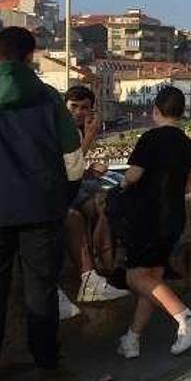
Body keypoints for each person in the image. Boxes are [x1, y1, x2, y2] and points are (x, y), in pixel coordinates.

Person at [0, 27, 84, 381]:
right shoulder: (48, 97)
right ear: (30, 56)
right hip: (40, 207)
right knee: (41, 288)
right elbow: (73, 160)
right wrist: (62, 198)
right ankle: (46, 366)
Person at [116, 86, 191, 359]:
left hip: (147, 216)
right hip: (174, 217)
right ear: (182, 112)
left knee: (135, 276)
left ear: (155, 110)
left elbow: (133, 175)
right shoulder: (184, 141)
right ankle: (132, 339)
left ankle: (187, 319)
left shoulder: (150, 138)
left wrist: (121, 184)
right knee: (153, 278)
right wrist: (171, 193)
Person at [62, 86, 129, 310]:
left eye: (84, 108)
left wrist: (90, 171)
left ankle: (108, 265)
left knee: (106, 203)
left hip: (74, 189)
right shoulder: (61, 130)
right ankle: (101, 269)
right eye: (74, 107)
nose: (79, 113)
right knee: (82, 215)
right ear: (65, 107)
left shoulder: (78, 131)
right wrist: (90, 136)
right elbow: (66, 167)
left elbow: (74, 169)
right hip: (61, 194)